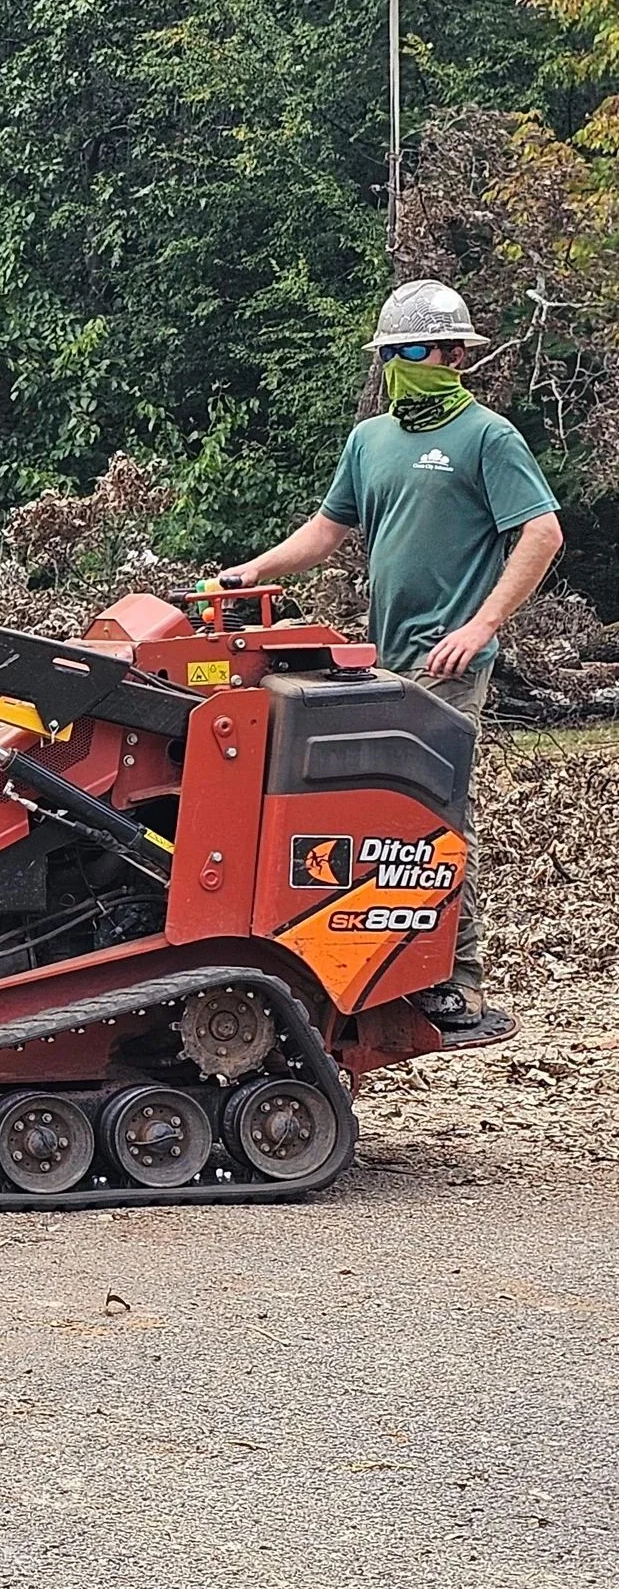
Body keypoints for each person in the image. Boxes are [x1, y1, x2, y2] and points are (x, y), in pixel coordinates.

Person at [222, 278, 564, 1029]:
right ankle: (387, 963)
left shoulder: (486, 437)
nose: (408, 364)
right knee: (375, 818)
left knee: (434, 817)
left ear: (454, 355)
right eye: (395, 353)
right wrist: (253, 569)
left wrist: (478, 626)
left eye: (421, 350)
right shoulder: (368, 439)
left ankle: (459, 977)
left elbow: (539, 532)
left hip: (446, 667)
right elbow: (325, 530)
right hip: (382, 659)